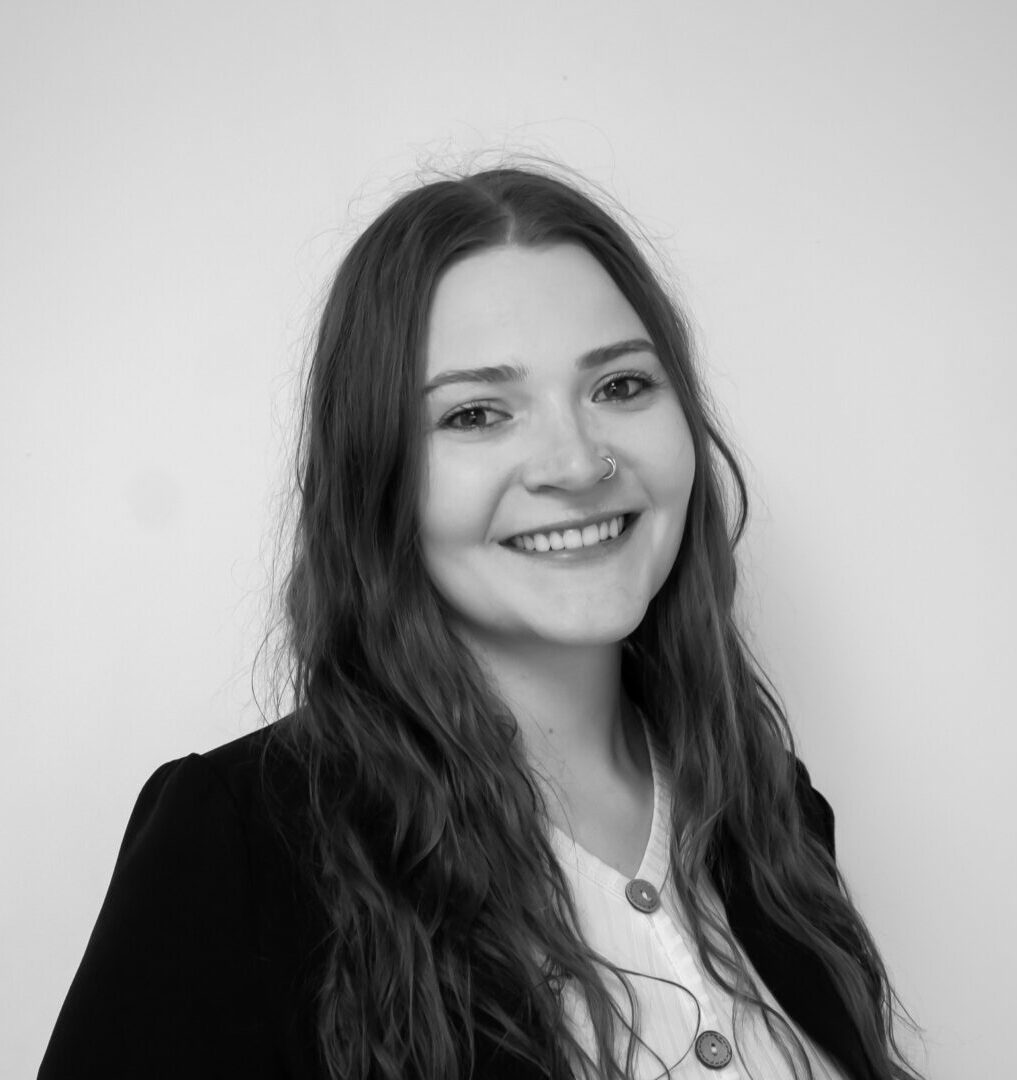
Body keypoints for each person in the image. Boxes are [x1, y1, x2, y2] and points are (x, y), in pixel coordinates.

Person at [39, 165, 921, 1080]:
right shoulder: (238, 844)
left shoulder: (770, 806)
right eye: (476, 413)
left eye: (620, 386)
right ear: (377, 477)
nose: (578, 462)